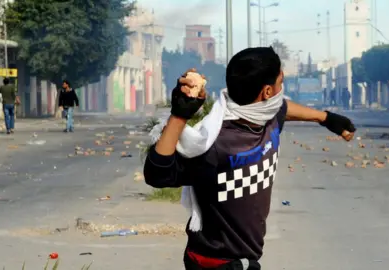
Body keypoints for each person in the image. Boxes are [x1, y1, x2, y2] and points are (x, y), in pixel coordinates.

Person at [143, 47, 356, 270]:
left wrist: (326, 118)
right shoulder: (217, 142)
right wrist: (179, 116)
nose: (281, 90)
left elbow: (283, 108)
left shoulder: (268, 118)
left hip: (245, 261)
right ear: (266, 92)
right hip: (214, 263)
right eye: (280, 82)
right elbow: (158, 175)